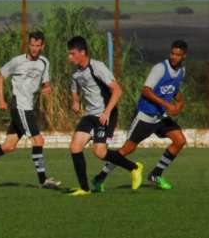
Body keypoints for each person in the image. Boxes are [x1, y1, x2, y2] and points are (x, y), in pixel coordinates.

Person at [0, 31, 60, 189]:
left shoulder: (44, 62)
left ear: (42, 46)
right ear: (28, 45)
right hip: (19, 106)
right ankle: (44, 181)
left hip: (28, 107)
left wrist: (47, 89)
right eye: (32, 45)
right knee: (38, 141)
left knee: (9, 145)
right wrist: (1, 99)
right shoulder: (17, 61)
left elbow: (46, 84)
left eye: (38, 45)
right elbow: (0, 75)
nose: (34, 48)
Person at [92, 41, 189, 191]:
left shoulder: (182, 71)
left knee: (180, 140)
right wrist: (168, 105)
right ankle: (100, 177)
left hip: (160, 117)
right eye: (172, 53)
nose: (174, 57)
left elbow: (174, 89)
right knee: (126, 150)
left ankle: (156, 174)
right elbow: (146, 91)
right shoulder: (160, 68)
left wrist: (180, 102)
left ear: (184, 56)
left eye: (178, 55)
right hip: (145, 116)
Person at [65, 36, 143, 197]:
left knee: (99, 152)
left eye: (72, 54)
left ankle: (134, 168)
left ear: (82, 52)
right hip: (90, 115)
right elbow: (74, 89)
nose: (69, 57)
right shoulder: (75, 72)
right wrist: (75, 101)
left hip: (105, 115)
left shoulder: (97, 67)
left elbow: (117, 90)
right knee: (75, 147)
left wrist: (107, 112)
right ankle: (84, 189)